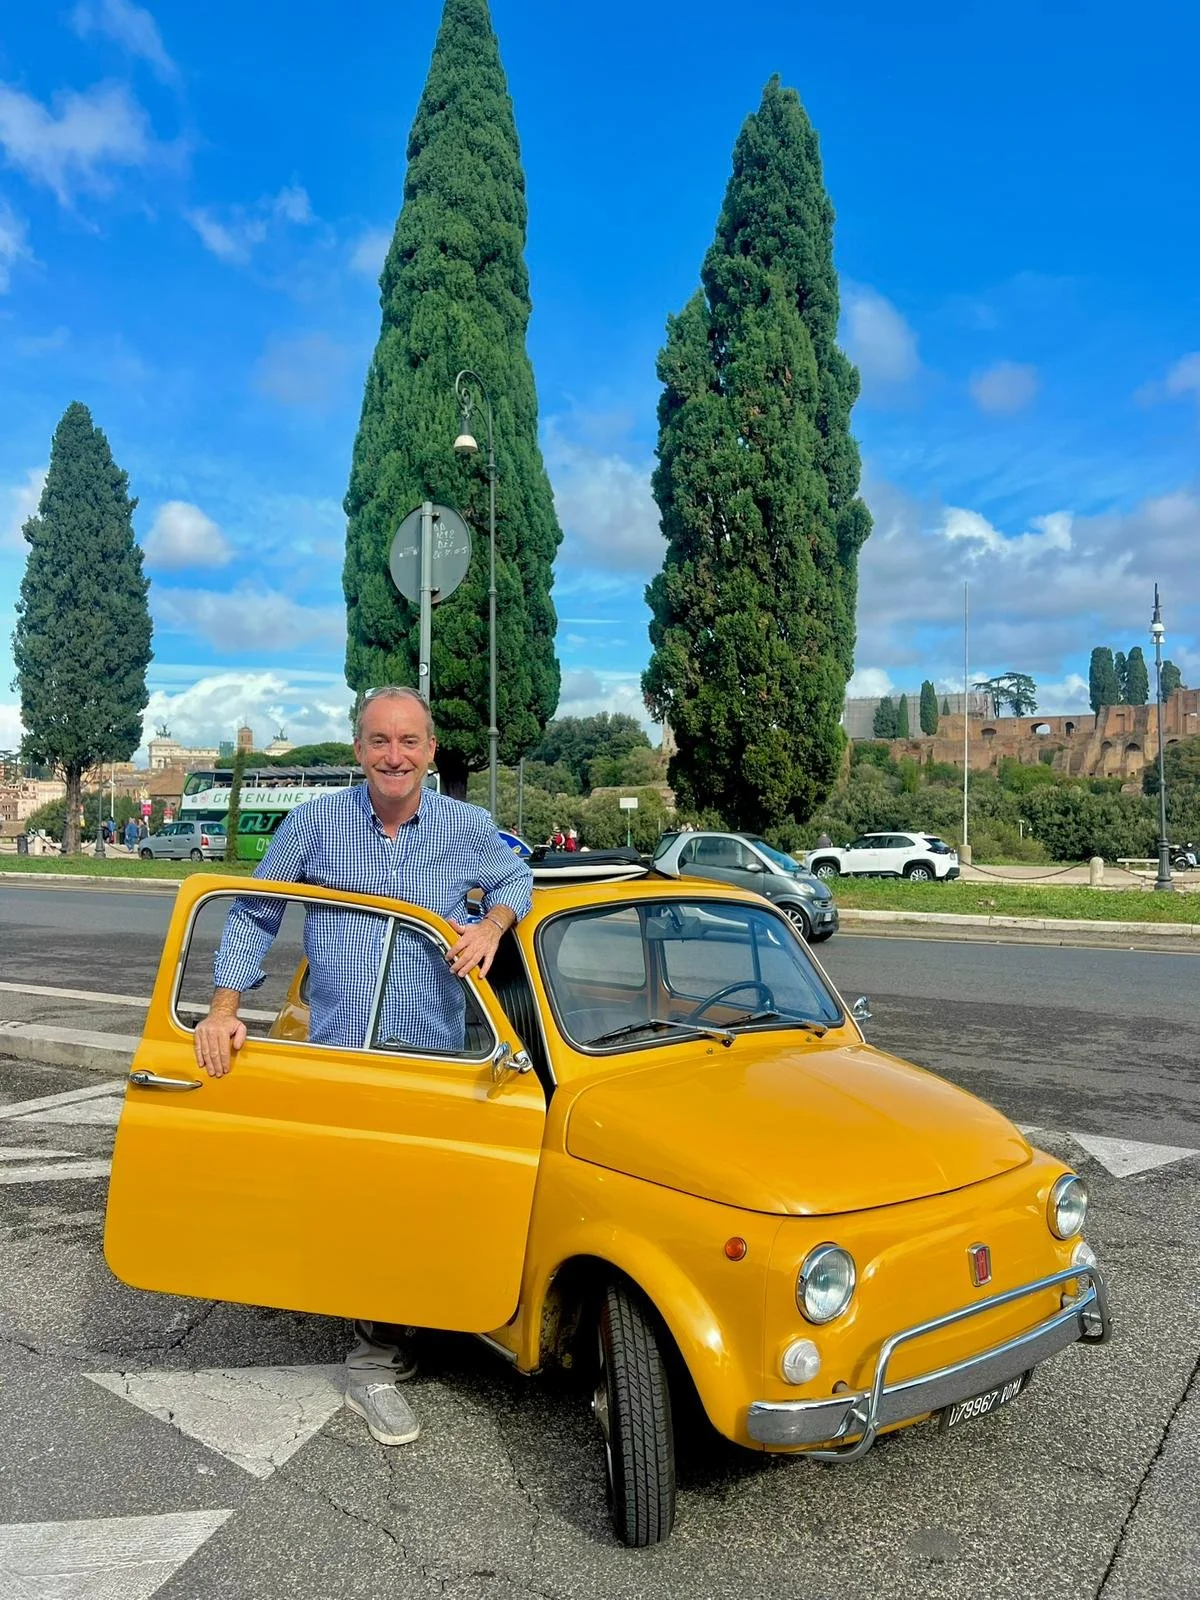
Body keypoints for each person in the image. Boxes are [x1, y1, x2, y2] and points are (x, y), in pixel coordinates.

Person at [193, 685, 533, 1450]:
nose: (395, 756)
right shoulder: (313, 824)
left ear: (431, 751)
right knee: (362, 1193)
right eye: (380, 741)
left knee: (423, 1189)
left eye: (409, 741)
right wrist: (222, 1009)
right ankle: (375, 1353)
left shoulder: (466, 826)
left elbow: (517, 877)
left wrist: (491, 924)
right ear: (358, 750)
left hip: (436, 1049)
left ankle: (422, 1310)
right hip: (344, 1049)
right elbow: (255, 909)